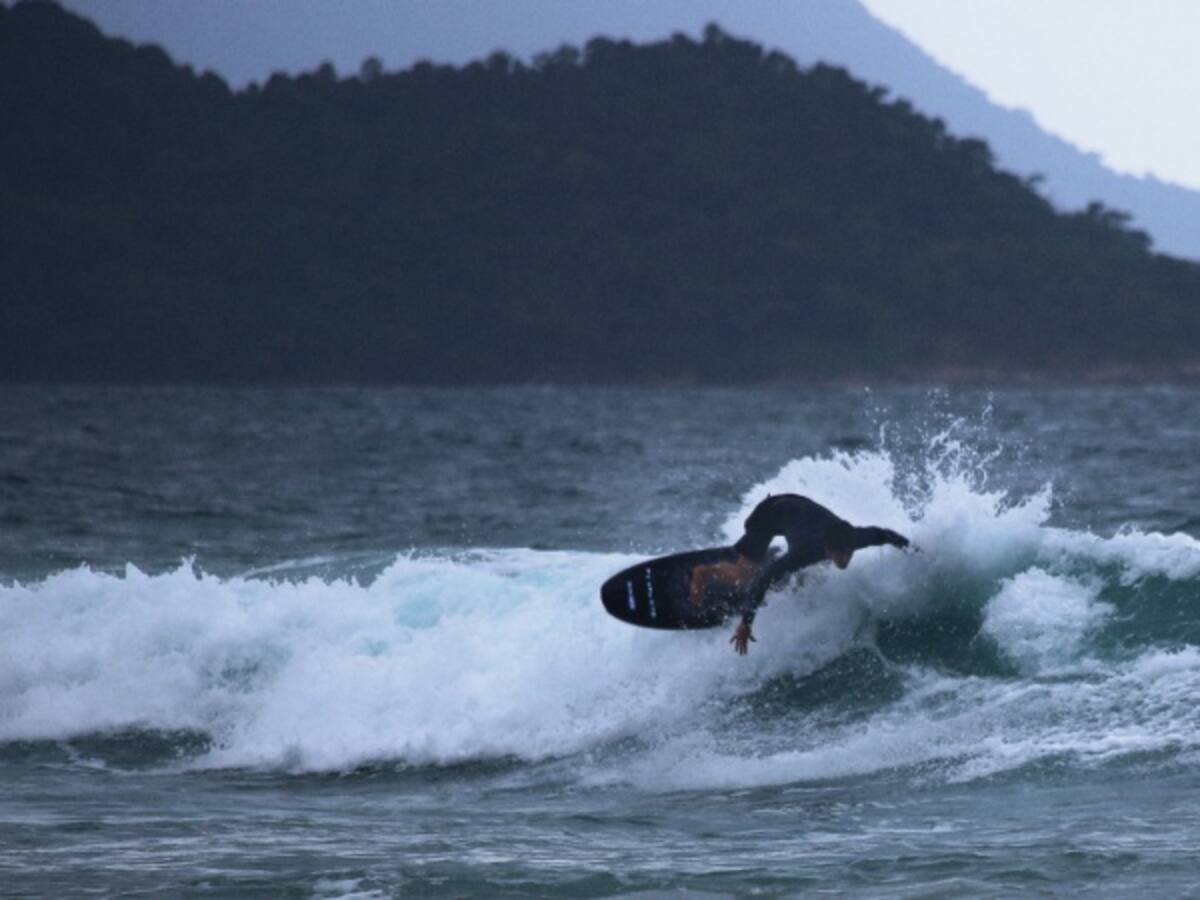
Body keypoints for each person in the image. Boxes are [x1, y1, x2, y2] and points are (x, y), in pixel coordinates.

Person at [691, 493, 910, 655]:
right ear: (829, 549)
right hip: (768, 514)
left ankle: (778, 563)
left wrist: (915, 551)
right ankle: (704, 573)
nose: (845, 560)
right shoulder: (807, 550)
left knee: (809, 576)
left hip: (798, 509)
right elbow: (763, 580)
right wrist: (747, 623)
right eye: (840, 555)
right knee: (747, 576)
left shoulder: (855, 536)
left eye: (848, 554)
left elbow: (887, 535)